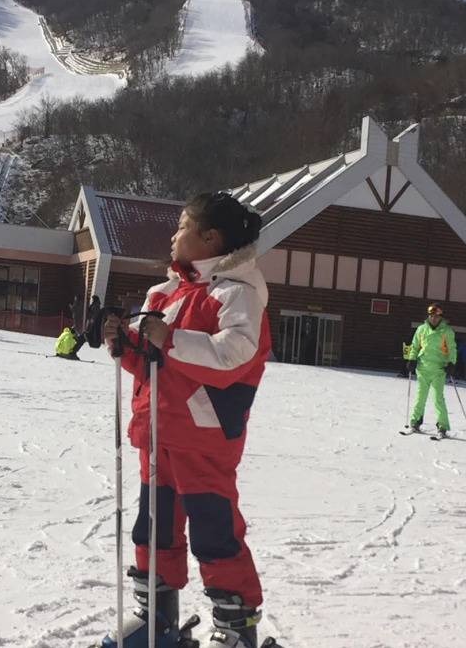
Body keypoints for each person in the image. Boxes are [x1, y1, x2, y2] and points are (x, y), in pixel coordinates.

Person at [101, 191, 272, 648]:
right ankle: (155, 616)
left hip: (203, 438)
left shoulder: (237, 293)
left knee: (214, 530)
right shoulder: (167, 292)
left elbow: (235, 356)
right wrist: (126, 344)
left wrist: (170, 339)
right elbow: (154, 361)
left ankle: (236, 626)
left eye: (182, 227)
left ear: (209, 239)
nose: (173, 236)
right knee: (153, 526)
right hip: (157, 432)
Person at [404, 304, 457, 436]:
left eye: (436, 316)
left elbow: (452, 348)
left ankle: (442, 426)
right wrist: (412, 359)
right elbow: (415, 345)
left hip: (438, 369)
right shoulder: (422, 329)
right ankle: (415, 422)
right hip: (423, 368)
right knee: (420, 397)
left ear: (440, 316)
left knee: (438, 398)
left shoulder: (447, 331)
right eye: (431, 316)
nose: (433, 318)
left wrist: (452, 363)